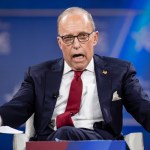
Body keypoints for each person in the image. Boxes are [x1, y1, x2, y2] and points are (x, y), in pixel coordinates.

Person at [0, 7, 150, 142]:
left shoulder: (119, 71)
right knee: (63, 134)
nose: (76, 45)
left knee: (66, 133)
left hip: (100, 142)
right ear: (60, 43)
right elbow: (17, 107)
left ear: (95, 38)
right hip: (51, 142)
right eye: (68, 38)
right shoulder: (39, 75)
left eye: (83, 36)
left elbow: (142, 107)